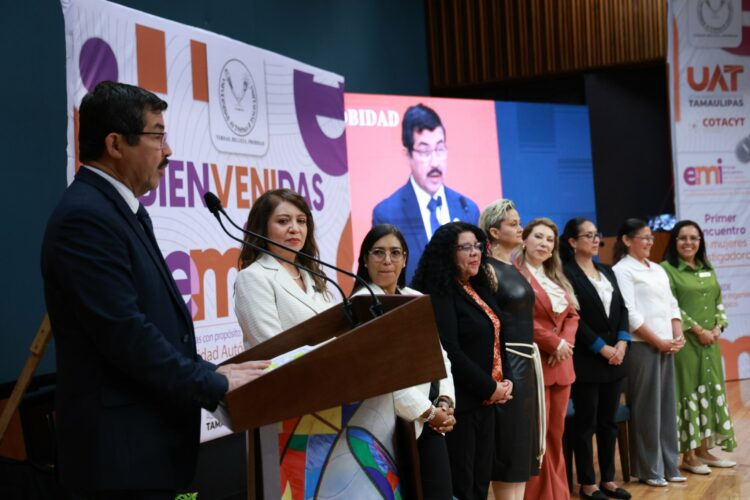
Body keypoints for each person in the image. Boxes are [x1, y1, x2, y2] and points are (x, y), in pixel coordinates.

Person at [40, 81, 269, 499]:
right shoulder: (85, 219)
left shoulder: (118, 210)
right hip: (120, 460)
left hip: (146, 450)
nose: (168, 150)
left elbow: (154, 325)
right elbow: (126, 336)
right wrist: (212, 383)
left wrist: (212, 371)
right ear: (115, 144)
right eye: (157, 136)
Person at [352, 224, 456, 499]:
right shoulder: (360, 304)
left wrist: (445, 401)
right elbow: (383, 374)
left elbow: (441, 356)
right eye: (378, 252)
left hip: (429, 420)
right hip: (387, 426)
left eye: (395, 253)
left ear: (405, 259)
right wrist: (429, 413)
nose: (387, 260)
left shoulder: (415, 298)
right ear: (365, 259)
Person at [411, 222, 513, 500]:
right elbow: (451, 352)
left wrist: (505, 380)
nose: (475, 252)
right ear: (447, 253)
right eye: (465, 247)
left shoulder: (476, 287)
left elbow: (497, 336)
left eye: (477, 246)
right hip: (462, 405)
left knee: (480, 484)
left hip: (488, 402)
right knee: (464, 487)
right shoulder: (441, 294)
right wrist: (489, 388)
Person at [560, 218, 631, 500]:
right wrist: (602, 348)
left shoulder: (607, 270)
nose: (595, 240)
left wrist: (622, 342)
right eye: (587, 235)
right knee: (585, 423)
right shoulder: (566, 274)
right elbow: (574, 318)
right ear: (572, 242)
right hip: (588, 359)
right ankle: (587, 483)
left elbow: (622, 308)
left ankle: (608, 480)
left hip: (616, 357)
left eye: (596, 234)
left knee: (608, 422)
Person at [612, 219, 686, 487]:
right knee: (647, 408)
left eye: (651, 238)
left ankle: (669, 464)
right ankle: (649, 468)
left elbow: (672, 304)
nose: (649, 242)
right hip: (643, 346)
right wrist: (657, 341)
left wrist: (677, 334)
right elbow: (630, 314)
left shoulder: (657, 268)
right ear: (627, 240)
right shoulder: (622, 270)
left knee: (666, 406)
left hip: (666, 344)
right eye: (644, 237)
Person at [372, 103, 480, 283]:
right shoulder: (387, 213)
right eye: (424, 151)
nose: (435, 162)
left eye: (440, 148)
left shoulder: (467, 209)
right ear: (407, 155)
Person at [661, 220, 737, 474]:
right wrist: (698, 330)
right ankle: (689, 455)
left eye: (694, 238)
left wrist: (717, 327)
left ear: (700, 242)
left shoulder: (707, 267)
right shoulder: (666, 270)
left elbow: (718, 301)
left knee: (710, 390)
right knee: (689, 391)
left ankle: (704, 451)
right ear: (674, 241)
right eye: (683, 238)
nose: (689, 243)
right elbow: (671, 305)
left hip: (710, 344)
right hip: (686, 343)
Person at [479, 199, 540, 500]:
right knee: (507, 451)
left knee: (522, 454)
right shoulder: (486, 271)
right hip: (506, 367)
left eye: (520, 222)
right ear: (494, 232)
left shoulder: (513, 267)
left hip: (526, 366)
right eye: (513, 224)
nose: (521, 228)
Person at [515, 218, 580, 500]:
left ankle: (559, 494)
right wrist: (554, 344)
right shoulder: (515, 276)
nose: (544, 244)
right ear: (524, 240)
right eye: (538, 237)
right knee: (537, 438)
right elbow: (520, 318)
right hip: (536, 366)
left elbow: (573, 315)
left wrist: (565, 343)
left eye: (550, 240)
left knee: (555, 435)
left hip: (562, 367)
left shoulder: (556, 278)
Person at [234, 189, 332, 349]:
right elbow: (272, 348)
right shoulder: (252, 277)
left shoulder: (312, 274)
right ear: (262, 228)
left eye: (301, 221)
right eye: (283, 221)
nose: (295, 229)